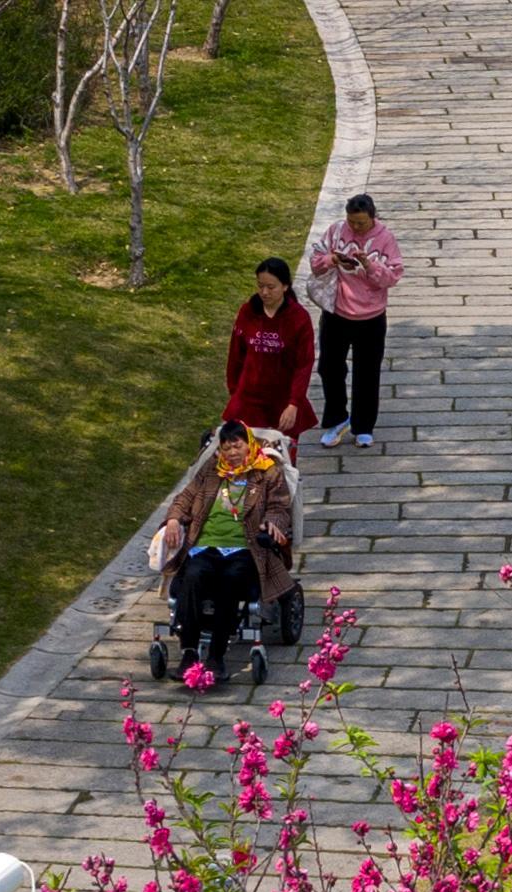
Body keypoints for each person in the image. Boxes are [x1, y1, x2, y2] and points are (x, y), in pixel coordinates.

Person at [160, 421, 293, 681]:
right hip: (205, 547)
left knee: (229, 581)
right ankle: (188, 652)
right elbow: (184, 498)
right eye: (226, 447)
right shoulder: (211, 470)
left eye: (237, 445)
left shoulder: (267, 472)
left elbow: (280, 508)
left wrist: (272, 523)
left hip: (246, 548)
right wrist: (174, 519)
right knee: (192, 576)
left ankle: (216, 656)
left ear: (248, 445)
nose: (232, 452)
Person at [307, 192, 404, 450]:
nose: (355, 227)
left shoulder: (385, 239)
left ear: (372, 217)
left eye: (361, 223)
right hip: (336, 313)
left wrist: (369, 265)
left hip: (371, 317)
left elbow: (392, 276)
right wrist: (332, 259)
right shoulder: (336, 231)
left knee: (367, 372)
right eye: (352, 222)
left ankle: (363, 426)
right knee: (329, 368)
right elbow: (316, 262)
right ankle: (337, 419)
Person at [223, 258, 316, 455]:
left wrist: (294, 404)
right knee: (247, 457)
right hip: (249, 400)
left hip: (283, 401)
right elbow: (235, 355)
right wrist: (235, 392)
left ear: (285, 286)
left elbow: (304, 364)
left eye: (271, 287)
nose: (265, 292)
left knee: (281, 459)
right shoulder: (247, 312)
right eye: (261, 286)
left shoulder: (299, 318)